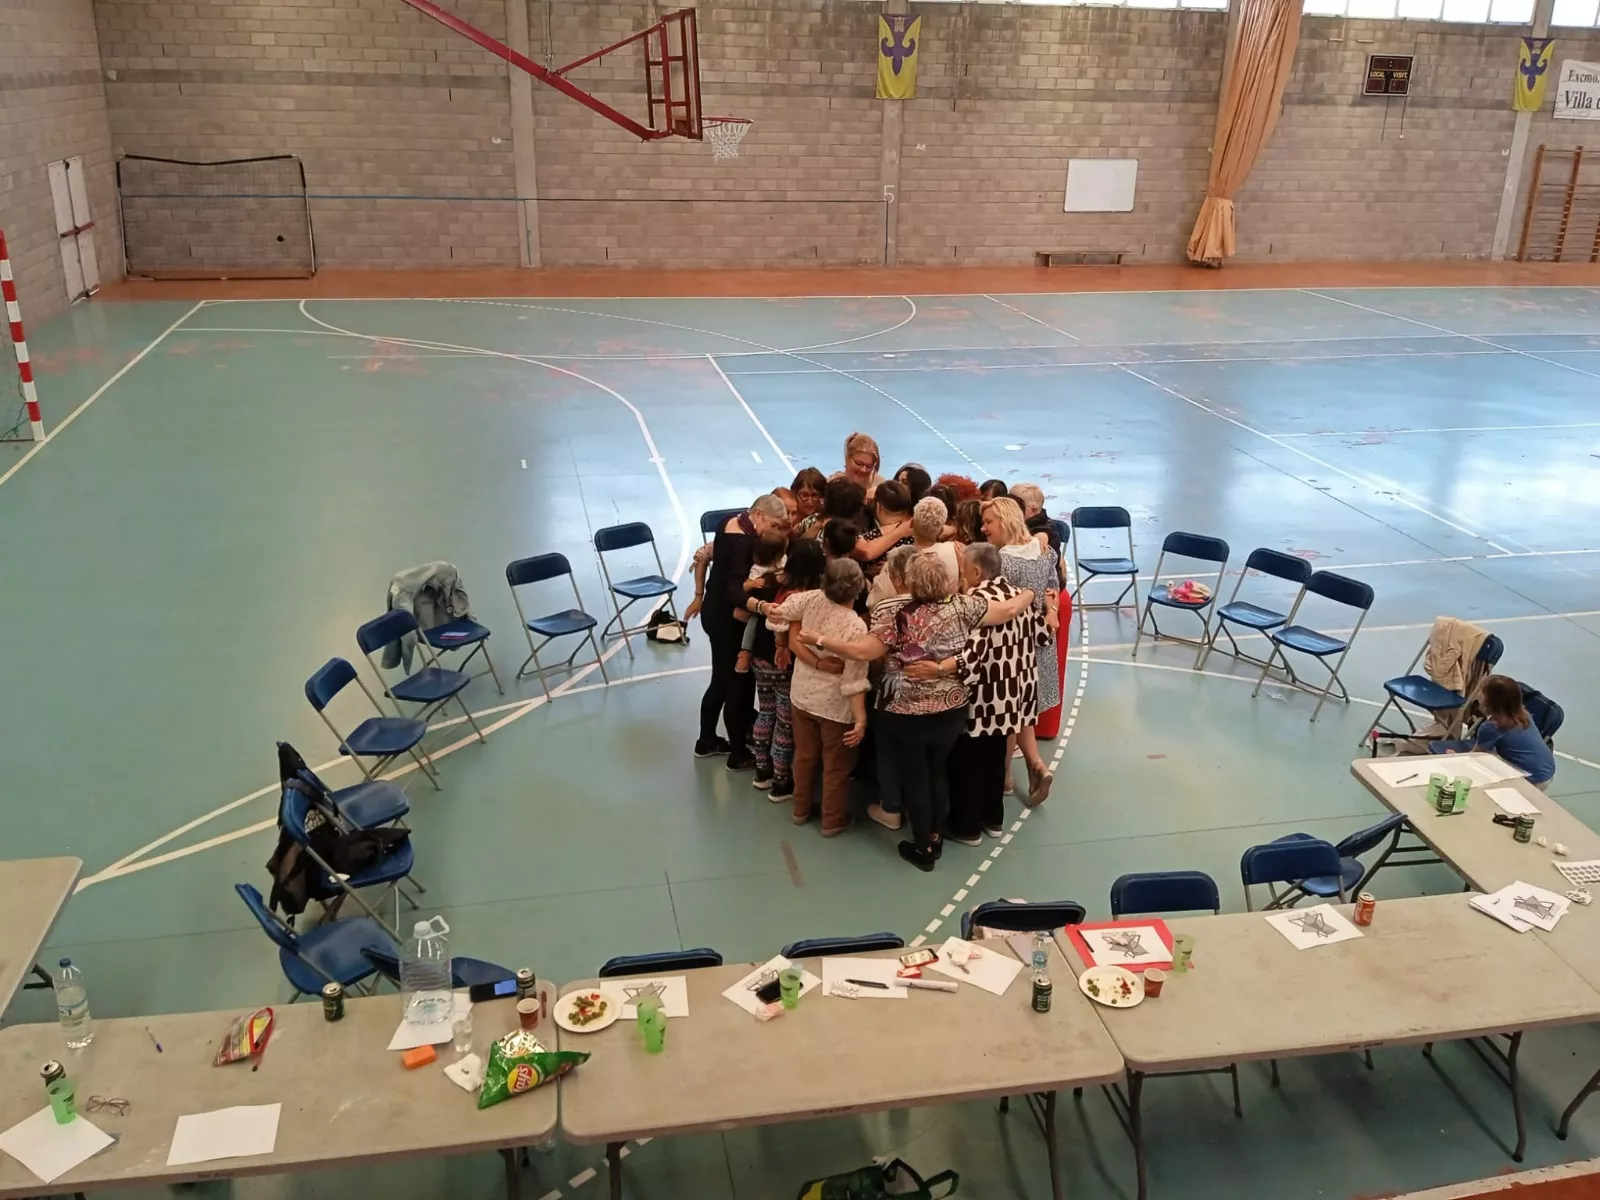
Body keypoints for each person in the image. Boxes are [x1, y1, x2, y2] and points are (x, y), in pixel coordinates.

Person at [798, 550, 1036, 871]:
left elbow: (862, 651)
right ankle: (936, 835)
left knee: (915, 777)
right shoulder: (963, 604)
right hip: (951, 709)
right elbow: (1008, 610)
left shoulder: (891, 609)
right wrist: (1032, 592)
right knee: (936, 770)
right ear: (945, 578)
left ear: (908, 580)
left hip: (904, 712)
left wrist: (821, 640)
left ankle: (923, 847)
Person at [934, 542, 1051, 844]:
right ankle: (993, 820)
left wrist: (937, 668)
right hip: (1014, 697)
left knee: (967, 764)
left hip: (983, 699)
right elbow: (1043, 636)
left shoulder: (975, 603)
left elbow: (971, 661)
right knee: (995, 759)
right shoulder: (1018, 595)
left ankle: (967, 828)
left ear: (975, 570)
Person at [750, 560, 871, 836]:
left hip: (802, 696)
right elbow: (853, 679)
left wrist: (768, 609)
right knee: (836, 766)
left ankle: (800, 810)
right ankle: (832, 820)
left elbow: (778, 616)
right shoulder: (855, 627)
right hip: (835, 707)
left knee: (804, 756)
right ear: (858, 587)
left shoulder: (811, 599)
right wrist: (860, 719)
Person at [690, 494, 789, 768]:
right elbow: (734, 590)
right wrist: (760, 606)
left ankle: (708, 739)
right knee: (734, 685)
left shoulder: (730, 521)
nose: (774, 531)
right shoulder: (742, 543)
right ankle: (736, 753)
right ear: (757, 514)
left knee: (723, 681)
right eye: (772, 524)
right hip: (726, 618)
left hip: (715, 610)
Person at [982, 497, 1060, 806]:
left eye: (988, 522)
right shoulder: (1046, 552)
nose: (983, 527)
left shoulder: (1002, 560)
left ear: (1004, 521)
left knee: (1009, 714)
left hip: (1013, 647)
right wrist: (1050, 610)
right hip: (1042, 642)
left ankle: (1005, 780)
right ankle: (1036, 764)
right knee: (1025, 710)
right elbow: (1054, 587)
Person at [754, 539, 826, 801]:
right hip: (784, 665)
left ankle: (762, 771)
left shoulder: (771, 581)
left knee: (766, 713)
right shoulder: (806, 595)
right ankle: (782, 781)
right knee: (785, 723)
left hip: (761, 661)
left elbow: (754, 617)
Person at [1431, 674, 1556, 789]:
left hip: (1532, 779)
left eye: (1481, 692)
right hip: (1547, 770)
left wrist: (1453, 756)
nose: (1478, 694)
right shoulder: (1523, 715)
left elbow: (1473, 758)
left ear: (1490, 701)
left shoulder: (1492, 727)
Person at [736, 529, 788, 675]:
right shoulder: (757, 569)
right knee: (753, 621)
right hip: (762, 607)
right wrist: (752, 584)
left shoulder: (784, 561)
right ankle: (745, 651)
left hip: (780, 603)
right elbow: (744, 587)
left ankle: (782, 648)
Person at [910, 496, 960, 589]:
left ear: (911, 523)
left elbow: (875, 600)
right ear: (942, 528)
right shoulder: (959, 550)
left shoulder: (899, 561)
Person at [1010, 481, 1061, 558]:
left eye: (1017, 506)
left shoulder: (1045, 531)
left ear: (1033, 509)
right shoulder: (1017, 523)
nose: (1010, 510)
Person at [840, 432, 885, 498]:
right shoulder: (831, 485)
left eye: (869, 466)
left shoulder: (881, 486)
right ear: (847, 459)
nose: (863, 470)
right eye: (858, 463)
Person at [791, 467, 827, 537]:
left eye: (814, 495)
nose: (809, 501)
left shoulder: (825, 523)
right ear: (795, 494)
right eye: (804, 495)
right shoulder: (788, 520)